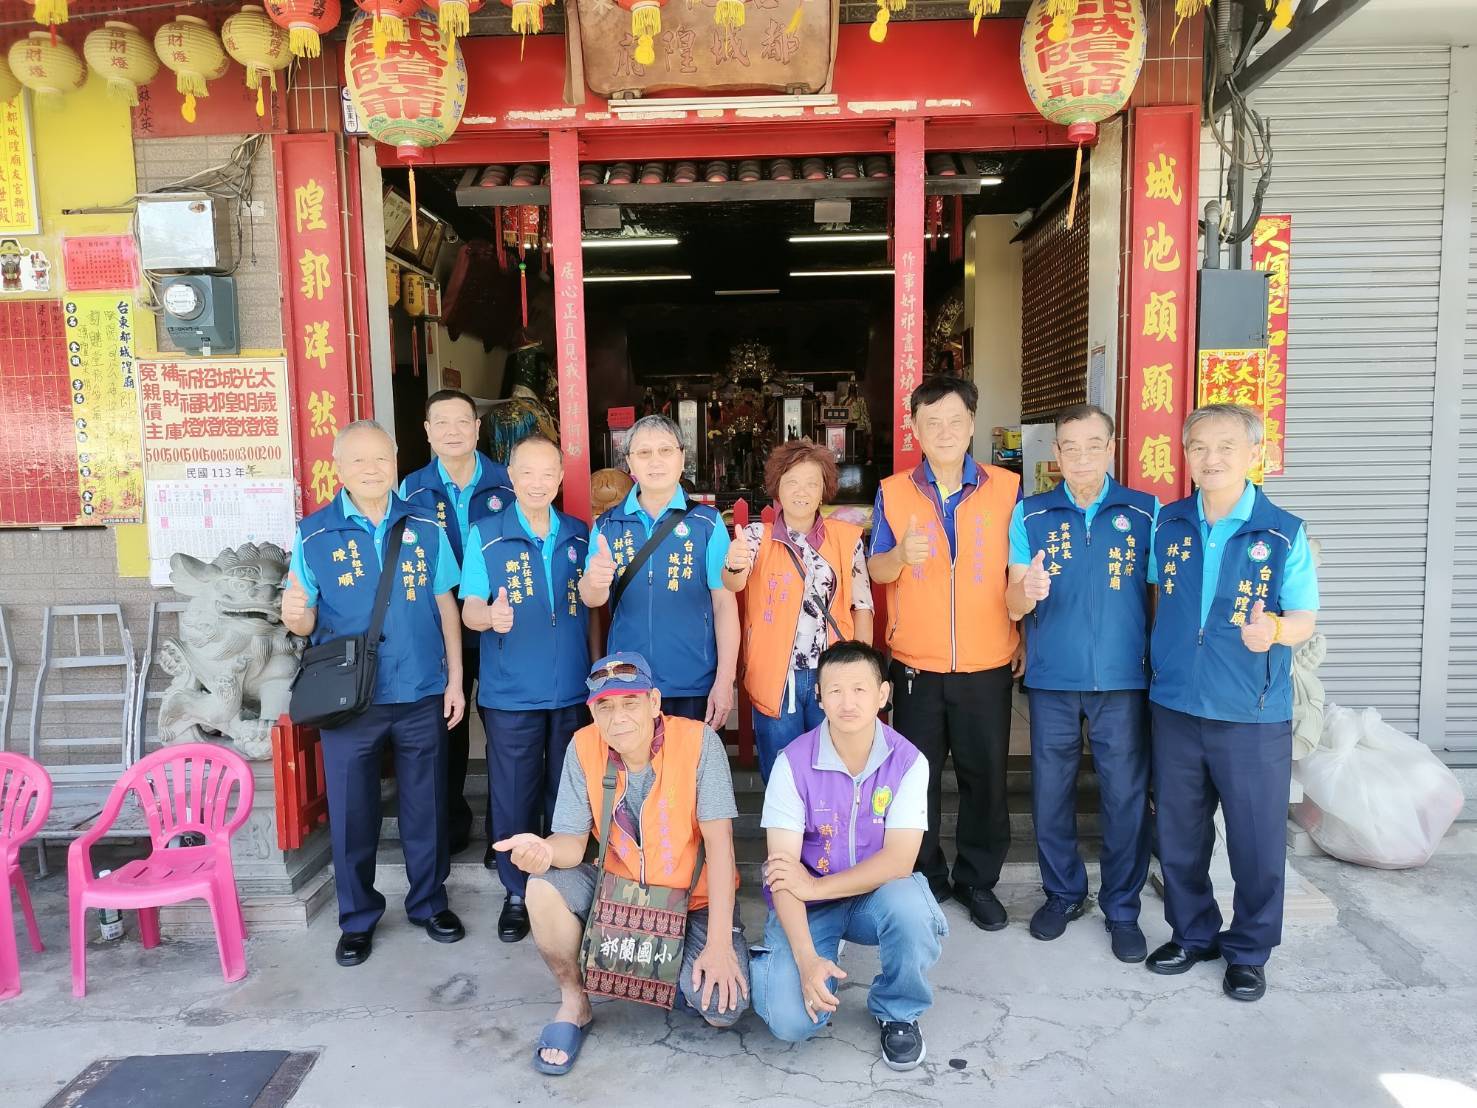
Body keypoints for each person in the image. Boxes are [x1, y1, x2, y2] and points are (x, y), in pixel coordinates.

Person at [494, 652, 750, 1076]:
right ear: (592, 712)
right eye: (605, 707)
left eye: (630, 703)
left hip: (694, 902)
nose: (618, 719)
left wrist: (720, 946)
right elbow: (571, 843)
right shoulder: (583, 747)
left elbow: (721, 847)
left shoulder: (699, 742)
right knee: (542, 885)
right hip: (620, 893)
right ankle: (575, 1002)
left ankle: (647, 968)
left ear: (654, 702)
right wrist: (544, 851)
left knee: (724, 1008)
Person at [1146, 403, 1319, 1002]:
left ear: (1254, 454)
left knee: (1256, 843)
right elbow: (1157, 597)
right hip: (1175, 706)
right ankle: (1193, 934)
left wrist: (1274, 629)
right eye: (1199, 447)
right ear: (1185, 454)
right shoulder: (1168, 523)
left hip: (1251, 713)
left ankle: (1248, 951)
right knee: (1179, 836)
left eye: (1226, 446)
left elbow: (1305, 617)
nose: (1211, 458)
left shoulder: (1283, 532)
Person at [282, 420, 466, 967]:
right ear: (338, 468)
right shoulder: (314, 534)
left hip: (419, 689)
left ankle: (429, 903)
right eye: (358, 460)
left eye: (381, 458)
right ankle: (357, 918)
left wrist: (456, 680)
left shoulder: (425, 525)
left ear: (396, 460)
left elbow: (446, 605)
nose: (371, 469)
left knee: (425, 806)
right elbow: (302, 618)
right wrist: (293, 616)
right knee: (352, 813)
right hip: (350, 701)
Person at [1006, 404, 1158, 962]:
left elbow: (1163, 594)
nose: (1082, 457)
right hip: (1053, 678)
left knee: (1124, 797)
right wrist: (1027, 592)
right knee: (1051, 792)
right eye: (1070, 447)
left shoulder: (1145, 512)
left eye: (1094, 445)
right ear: (1056, 454)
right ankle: (1063, 893)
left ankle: (1122, 907)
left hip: (1124, 678)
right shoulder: (1031, 514)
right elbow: (1011, 600)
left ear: (1111, 448)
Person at [867, 376, 1020, 931]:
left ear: (972, 423)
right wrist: (901, 556)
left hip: (987, 662)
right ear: (915, 428)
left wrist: (1022, 637)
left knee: (986, 777)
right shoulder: (893, 491)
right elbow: (876, 568)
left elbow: (1018, 572)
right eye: (932, 422)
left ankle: (978, 881)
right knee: (917, 780)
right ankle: (926, 877)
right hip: (917, 665)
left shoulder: (1007, 488)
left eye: (956, 420)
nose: (945, 431)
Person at [751, 641, 944, 1071]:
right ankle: (799, 957)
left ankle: (898, 1010)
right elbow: (782, 873)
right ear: (818, 696)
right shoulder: (792, 763)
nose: (848, 702)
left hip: (873, 895)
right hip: (809, 904)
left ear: (883, 694)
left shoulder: (908, 762)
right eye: (835, 690)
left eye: (860, 689)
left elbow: (899, 862)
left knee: (912, 909)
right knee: (791, 1022)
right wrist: (806, 960)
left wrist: (816, 886)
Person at [461, 435, 590, 944]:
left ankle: (559, 889)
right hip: (511, 693)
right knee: (514, 796)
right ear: (511, 478)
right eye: (527, 473)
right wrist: (488, 616)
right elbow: (470, 606)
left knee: (566, 795)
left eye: (547, 473)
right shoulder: (486, 534)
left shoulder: (578, 534)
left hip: (571, 690)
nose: (538, 483)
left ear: (560, 478)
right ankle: (516, 893)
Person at [399, 388, 515, 856]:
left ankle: (504, 832)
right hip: (438, 628)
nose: (452, 431)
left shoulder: (508, 481)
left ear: (477, 428)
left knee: (504, 728)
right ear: (428, 431)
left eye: (462, 421)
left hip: (500, 623)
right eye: (441, 423)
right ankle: (451, 826)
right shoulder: (411, 488)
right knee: (446, 727)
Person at [723, 439, 874, 781]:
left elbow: (862, 606)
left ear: (824, 491)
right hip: (777, 677)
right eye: (791, 481)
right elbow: (734, 582)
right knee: (783, 777)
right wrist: (733, 564)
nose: (801, 491)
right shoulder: (757, 537)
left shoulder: (846, 538)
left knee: (833, 772)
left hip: (833, 676)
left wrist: (863, 670)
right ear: (777, 487)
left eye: (811, 483)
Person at [579, 414, 738, 729]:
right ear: (629, 463)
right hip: (628, 682)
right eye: (644, 452)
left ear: (682, 457)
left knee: (694, 761)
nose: (655, 461)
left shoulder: (706, 523)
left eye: (665, 450)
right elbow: (591, 598)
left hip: (694, 681)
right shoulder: (608, 525)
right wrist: (594, 581)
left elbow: (724, 603)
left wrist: (724, 681)